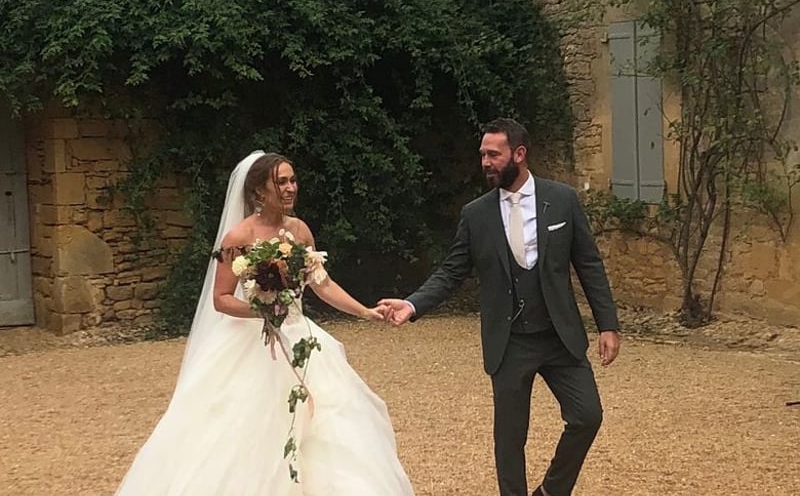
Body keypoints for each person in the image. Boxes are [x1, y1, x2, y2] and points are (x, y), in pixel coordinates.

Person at [116, 150, 414, 496]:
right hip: (251, 342)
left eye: (293, 180)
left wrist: (364, 312)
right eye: (281, 182)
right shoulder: (237, 238)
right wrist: (263, 311)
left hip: (301, 336)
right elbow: (221, 298)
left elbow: (322, 283)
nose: (290, 188)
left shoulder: (299, 230)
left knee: (330, 423)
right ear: (259, 191)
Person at [379, 118, 621, 496]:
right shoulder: (476, 215)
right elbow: (451, 272)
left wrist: (608, 324)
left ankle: (551, 491)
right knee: (510, 440)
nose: (485, 162)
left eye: (494, 154)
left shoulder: (563, 200)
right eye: (483, 155)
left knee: (588, 416)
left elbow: (588, 263)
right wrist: (412, 305)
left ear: (519, 154)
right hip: (509, 341)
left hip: (559, 335)